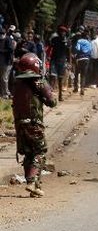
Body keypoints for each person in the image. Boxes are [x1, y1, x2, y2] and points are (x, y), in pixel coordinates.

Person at [12, 53, 57, 197]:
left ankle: (35, 187)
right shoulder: (38, 81)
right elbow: (52, 101)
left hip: (19, 124)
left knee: (28, 153)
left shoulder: (17, 83)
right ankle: (31, 183)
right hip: (33, 124)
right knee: (39, 151)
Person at [48, 26, 70, 101]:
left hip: (62, 61)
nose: (62, 33)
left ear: (65, 33)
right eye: (61, 31)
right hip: (54, 60)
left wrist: (69, 62)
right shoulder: (54, 39)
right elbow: (50, 48)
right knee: (52, 77)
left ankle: (60, 95)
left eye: (63, 32)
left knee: (60, 79)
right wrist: (48, 56)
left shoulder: (67, 41)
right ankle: (50, 95)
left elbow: (69, 52)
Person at [73, 29, 92, 97]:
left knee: (77, 73)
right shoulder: (88, 42)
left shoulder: (79, 41)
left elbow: (77, 49)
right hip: (86, 59)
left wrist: (75, 54)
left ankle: (76, 88)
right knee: (83, 75)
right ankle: (82, 89)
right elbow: (90, 51)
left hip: (79, 59)